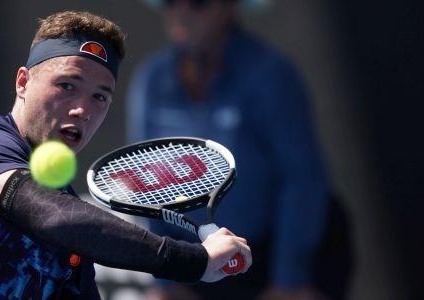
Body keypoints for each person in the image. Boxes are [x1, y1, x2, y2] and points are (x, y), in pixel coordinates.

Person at [0, 10, 252, 299]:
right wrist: (191, 260)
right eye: (67, 85)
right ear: (22, 82)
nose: (82, 109)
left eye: (99, 96)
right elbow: (51, 216)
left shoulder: (72, 226)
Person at [127, 1, 332, 299]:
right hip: (188, 271)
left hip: (266, 272)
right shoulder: (151, 79)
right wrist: (166, 280)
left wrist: (289, 280)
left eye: (198, 2)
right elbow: (143, 186)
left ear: (230, 8)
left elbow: (301, 179)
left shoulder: (271, 74)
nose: (181, 11)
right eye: (171, 0)